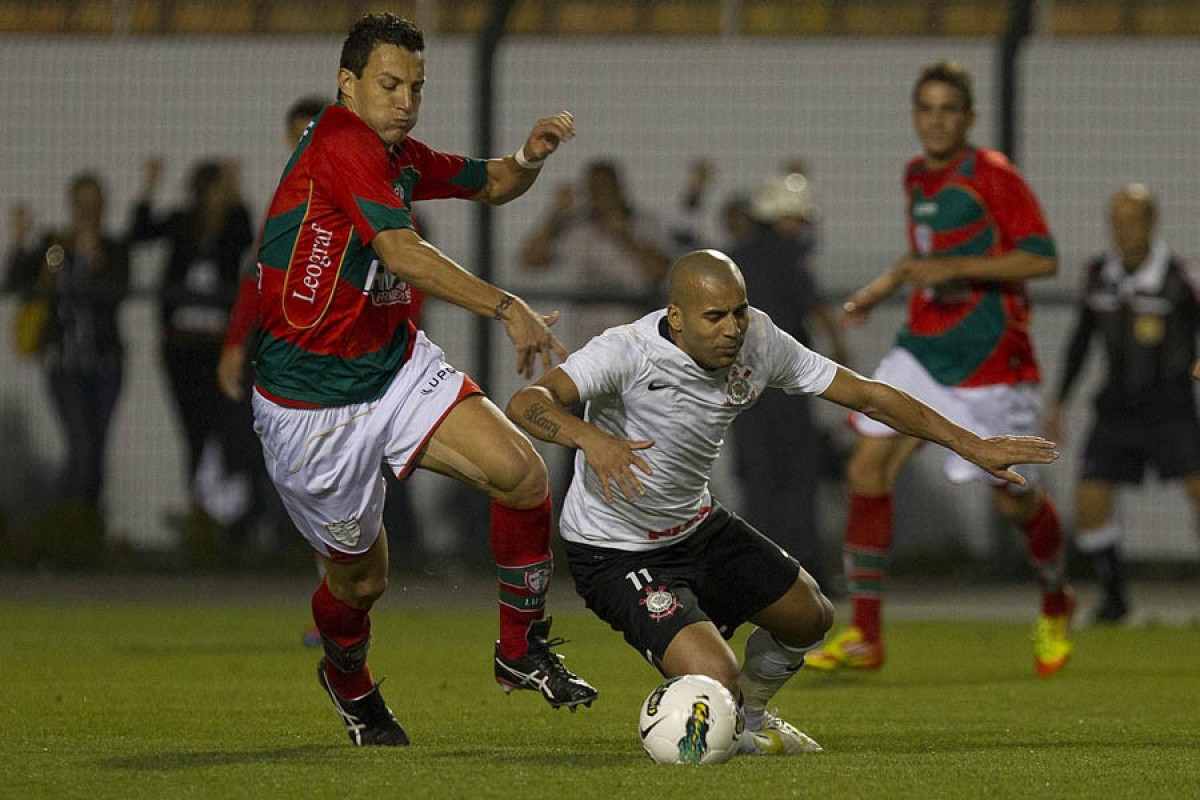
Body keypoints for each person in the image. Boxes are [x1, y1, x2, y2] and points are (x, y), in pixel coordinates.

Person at [505, 249, 1059, 755]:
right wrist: (590, 438)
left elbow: (868, 395)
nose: (732, 329)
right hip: (615, 550)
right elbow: (527, 401)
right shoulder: (626, 352)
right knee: (714, 676)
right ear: (676, 317)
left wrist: (971, 443)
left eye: (739, 312)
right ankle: (718, 716)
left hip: (694, 525)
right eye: (714, 317)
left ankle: (752, 719)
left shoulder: (761, 342)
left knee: (809, 616)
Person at [249, 13, 596, 747]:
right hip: (310, 407)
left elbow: (494, 180)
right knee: (361, 585)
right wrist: (507, 306)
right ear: (348, 85)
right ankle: (348, 680)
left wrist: (529, 158)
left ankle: (519, 648)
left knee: (523, 476)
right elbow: (401, 253)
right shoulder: (342, 140)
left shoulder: (393, 154)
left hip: (394, 365)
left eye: (416, 85)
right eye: (389, 83)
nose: (405, 99)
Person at [808, 60, 1076, 677]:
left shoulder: (994, 175)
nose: (936, 120)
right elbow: (923, 257)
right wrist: (880, 289)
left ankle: (1056, 595)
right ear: (915, 116)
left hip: (990, 361)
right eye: (926, 108)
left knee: (1011, 499)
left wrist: (957, 271)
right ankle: (866, 635)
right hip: (924, 349)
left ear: (969, 118)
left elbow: (1041, 258)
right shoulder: (916, 177)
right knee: (867, 463)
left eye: (948, 110)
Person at [1044, 183, 1200, 624]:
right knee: (1090, 500)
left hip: (1172, 408)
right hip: (1116, 409)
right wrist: (1059, 402)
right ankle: (1113, 596)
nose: (1122, 231)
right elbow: (1080, 341)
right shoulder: (1098, 275)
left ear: (1152, 223)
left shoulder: (1180, 277)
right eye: (1115, 221)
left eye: (1131, 220)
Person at [725, 172, 849, 587]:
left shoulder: (736, 259)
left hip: (741, 384)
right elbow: (815, 311)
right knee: (799, 475)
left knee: (758, 478)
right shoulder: (791, 260)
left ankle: (752, 569)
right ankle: (804, 570)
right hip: (785, 383)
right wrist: (841, 357)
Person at [129, 156, 258, 553]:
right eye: (215, 188)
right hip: (182, 347)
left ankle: (237, 522)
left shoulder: (232, 228)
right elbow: (140, 232)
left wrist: (235, 188)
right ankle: (202, 519)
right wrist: (149, 186)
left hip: (219, 348)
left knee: (233, 431)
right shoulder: (182, 222)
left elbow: (246, 231)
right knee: (195, 432)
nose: (220, 196)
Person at [4, 175, 130, 517]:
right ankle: (64, 523)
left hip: (105, 365)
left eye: (94, 204)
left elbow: (119, 294)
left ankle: (88, 527)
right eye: (81, 204)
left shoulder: (113, 248)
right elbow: (17, 281)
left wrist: (96, 261)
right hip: (64, 364)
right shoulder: (54, 245)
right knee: (81, 447)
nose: (87, 212)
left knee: (98, 451)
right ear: (71, 206)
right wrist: (18, 239)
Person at [519, 158, 672, 349]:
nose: (602, 194)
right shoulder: (575, 228)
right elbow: (530, 260)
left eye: (606, 187)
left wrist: (624, 236)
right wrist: (555, 215)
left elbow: (659, 273)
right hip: (585, 341)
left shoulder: (643, 224)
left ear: (619, 188)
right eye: (595, 187)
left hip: (633, 340)